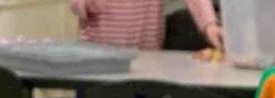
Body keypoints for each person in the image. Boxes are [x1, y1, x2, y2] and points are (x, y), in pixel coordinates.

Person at [71, 0, 224, 49]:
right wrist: (89, 3)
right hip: (99, 58)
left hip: (148, 56)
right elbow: (76, 4)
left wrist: (209, 25)